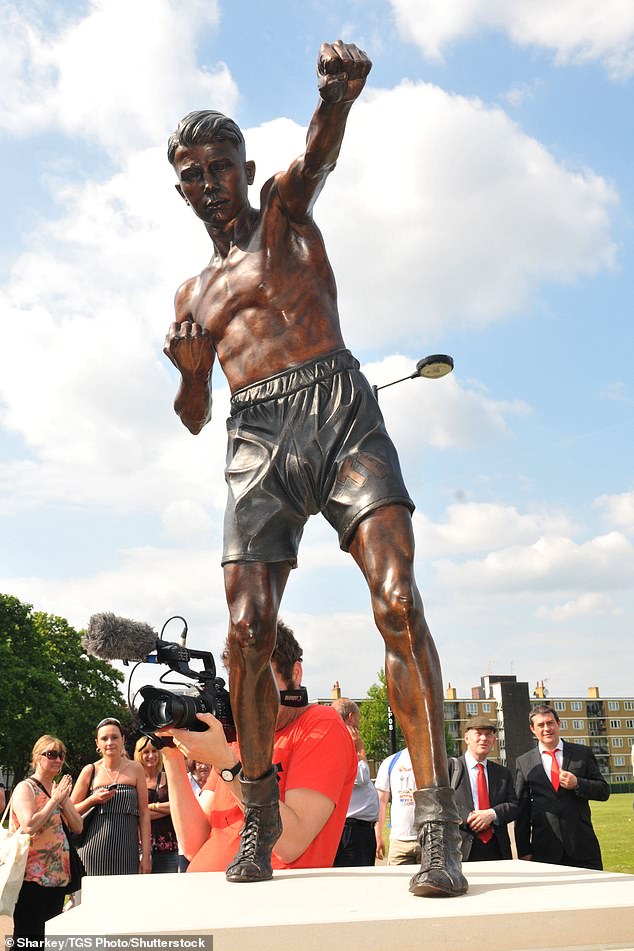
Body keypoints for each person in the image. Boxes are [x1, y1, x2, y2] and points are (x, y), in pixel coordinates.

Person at [163, 39, 466, 898]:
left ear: (244, 167)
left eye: (224, 164)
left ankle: (438, 821)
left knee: (400, 600)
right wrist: (191, 374)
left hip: (339, 409)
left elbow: (319, 153)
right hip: (253, 437)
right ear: (181, 187)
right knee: (246, 633)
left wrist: (337, 96)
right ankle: (258, 814)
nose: (213, 180)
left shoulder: (281, 212)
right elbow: (192, 416)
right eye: (196, 171)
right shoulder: (190, 294)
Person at [158, 620, 357, 873]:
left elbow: (291, 843)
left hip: (267, 901)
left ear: (295, 674)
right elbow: (194, 844)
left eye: (260, 680)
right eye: (240, 682)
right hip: (209, 894)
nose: (247, 695)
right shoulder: (239, 737)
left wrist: (225, 763)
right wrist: (171, 755)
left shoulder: (320, 724)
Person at [515, 704, 610, 870]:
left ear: (558, 723)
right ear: (532, 729)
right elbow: (521, 811)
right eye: (541, 725)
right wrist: (524, 851)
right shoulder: (524, 762)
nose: (547, 729)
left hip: (582, 847)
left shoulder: (582, 753)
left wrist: (578, 783)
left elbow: (603, 791)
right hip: (544, 851)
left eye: (550, 723)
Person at [10, 735, 83, 945]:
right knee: (27, 936)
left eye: (61, 755)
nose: (58, 760)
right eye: (51, 754)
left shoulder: (58, 790)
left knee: (48, 939)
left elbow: (78, 826)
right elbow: (29, 825)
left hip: (59, 877)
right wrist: (54, 801)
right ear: (37, 757)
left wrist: (62, 800)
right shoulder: (26, 788)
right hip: (32, 879)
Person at [71, 718, 151, 875]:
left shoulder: (136, 769)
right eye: (104, 738)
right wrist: (92, 800)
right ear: (97, 743)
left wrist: (146, 855)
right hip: (93, 852)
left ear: (123, 739)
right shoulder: (90, 770)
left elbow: (144, 813)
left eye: (114, 737)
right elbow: (70, 812)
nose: (110, 742)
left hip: (127, 853)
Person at [448, 716, 519, 861]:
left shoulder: (502, 773)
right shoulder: (450, 768)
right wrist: (467, 816)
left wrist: (492, 814)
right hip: (461, 848)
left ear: (494, 740)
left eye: (488, 735)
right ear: (467, 738)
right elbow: (442, 803)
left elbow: (514, 806)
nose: (484, 738)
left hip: (497, 849)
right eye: (478, 734)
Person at [332, 698, 379, 867]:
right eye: (358, 719)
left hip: (354, 828)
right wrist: (360, 749)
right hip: (353, 830)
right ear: (350, 717)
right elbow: (360, 776)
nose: (359, 724)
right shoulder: (343, 740)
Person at [134, 737, 178, 873]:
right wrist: (165, 809)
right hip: (143, 848)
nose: (151, 756)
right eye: (146, 752)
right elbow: (136, 813)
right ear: (139, 755)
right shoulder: (134, 781)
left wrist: (150, 807)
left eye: (154, 751)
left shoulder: (168, 778)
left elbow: (177, 807)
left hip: (169, 847)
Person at [375, 748, 418, 865]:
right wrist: (378, 835)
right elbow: (381, 801)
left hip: (428, 841)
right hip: (399, 842)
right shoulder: (391, 761)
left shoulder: (433, 760)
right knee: (397, 882)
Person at [177, 760, 211, 872]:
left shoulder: (220, 780)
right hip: (188, 847)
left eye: (206, 761)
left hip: (212, 845)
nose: (203, 766)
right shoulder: (185, 781)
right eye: (199, 762)